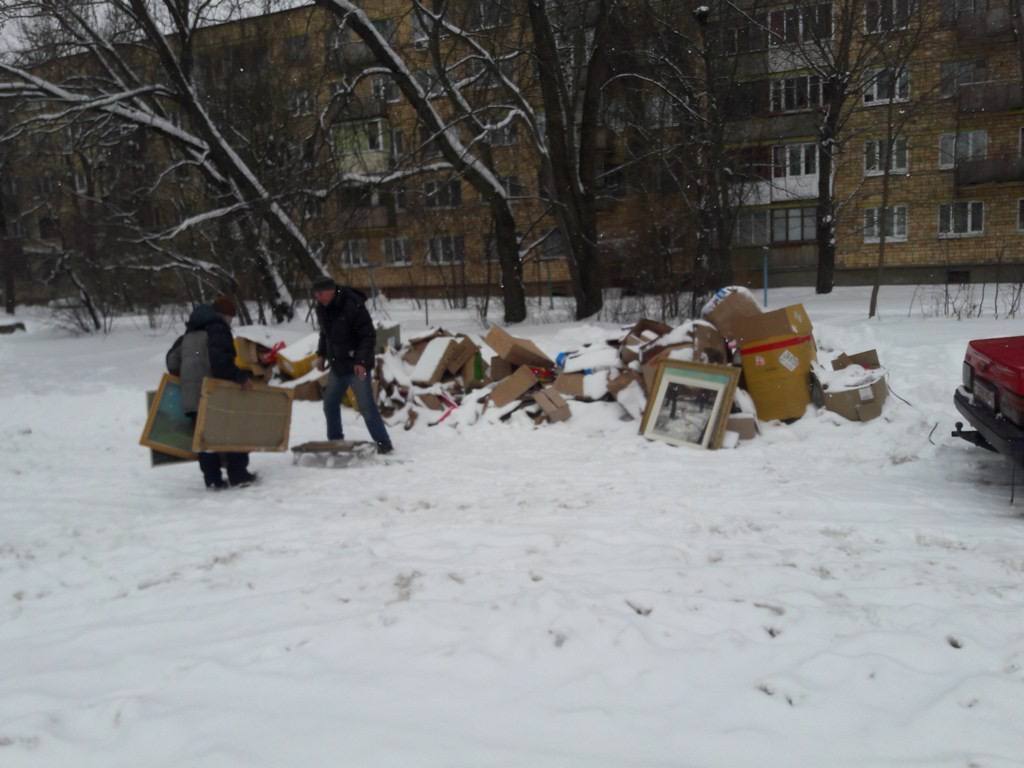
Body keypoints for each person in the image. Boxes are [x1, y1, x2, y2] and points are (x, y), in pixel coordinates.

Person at [167, 295, 258, 489]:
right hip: (214, 393)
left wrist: (188, 377)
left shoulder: (188, 335)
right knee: (233, 433)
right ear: (223, 315)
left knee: (204, 439)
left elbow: (171, 362)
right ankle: (239, 475)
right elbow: (220, 363)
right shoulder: (217, 330)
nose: (230, 322)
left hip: (192, 396)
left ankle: (213, 480)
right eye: (230, 318)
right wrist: (241, 376)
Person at [312, 276, 394, 454]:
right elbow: (325, 334)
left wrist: (361, 361)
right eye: (315, 295)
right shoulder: (323, 308)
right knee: (330, 403)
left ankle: (384, 443)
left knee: (366, 406)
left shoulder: (352, 304)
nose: (317, 298)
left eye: (319, 294)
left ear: (330, 291)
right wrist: (321, 354)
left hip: (357, 366)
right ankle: (335, 441)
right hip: (338, 365)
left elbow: (368, 336)